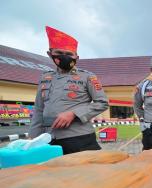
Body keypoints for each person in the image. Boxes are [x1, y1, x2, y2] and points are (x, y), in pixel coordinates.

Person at [29, 26, 109, 155]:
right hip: (48, 139)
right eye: (59, 53)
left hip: (79, 138)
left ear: (76, 57)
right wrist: (34, 137)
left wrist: (73, 113)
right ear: (50, 54)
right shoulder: (45, 78)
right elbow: (39, 109)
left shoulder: (87, 77)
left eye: (69, 54)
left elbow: (102, 102)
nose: (64, 57)